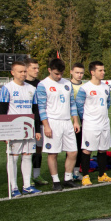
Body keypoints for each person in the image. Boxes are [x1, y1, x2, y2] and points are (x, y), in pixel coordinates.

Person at [36, 58, 80, 191]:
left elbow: (72, 103)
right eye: (56, 73)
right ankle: (56, 181)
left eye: (61, 73)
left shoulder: (67, 84)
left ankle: (67, 178)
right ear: (49, 70)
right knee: (53, 153)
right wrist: (46, 125)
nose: (59, 76)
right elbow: (41, 107)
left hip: (67, 122)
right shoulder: (43, 85)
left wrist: (75, 121)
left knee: (72, 152)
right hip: (52, 122)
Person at [0, 60, 41, 196]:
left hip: (28, 128)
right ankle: (14, 187)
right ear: (13, 73)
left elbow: (35, 110)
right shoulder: (7, 89)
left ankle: (27, 186)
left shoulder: (32, 89)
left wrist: (37, 130)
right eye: (20, 71)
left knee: (27, 155)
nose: (23, 74)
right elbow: (2, 112)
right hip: (13, 128)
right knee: (13, 157)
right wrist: (5, 133)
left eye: (24, 71)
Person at [75, 61, 111, 184]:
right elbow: (79, 105)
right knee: (87, 150)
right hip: (90, 124)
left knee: (102, 149)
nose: (103, 72)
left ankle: (102, 175)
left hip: (104, 123)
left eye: (103, 70)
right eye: (100, 70)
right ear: (92, 72)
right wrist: (87, 118)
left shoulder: (105, 87)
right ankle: (86, 176)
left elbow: (108, 103)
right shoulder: (85, 88)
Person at [25, 58, 48, 186]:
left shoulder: (40, 84)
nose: (37, 70)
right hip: (25, 123)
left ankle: (36, 175)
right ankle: (27, 179)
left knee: (38, 150)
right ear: (27, 68)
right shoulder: (22, 84)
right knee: (26, 151)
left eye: (38, 68)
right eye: (34, 68)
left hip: (39, 123)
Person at [69, 62, 85, 180]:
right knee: (70, 149)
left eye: (81, 73)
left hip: (82, 122)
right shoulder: (67, 86)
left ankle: (75, 172)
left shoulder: (85, 87)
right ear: (71, 72)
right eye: (77, 72)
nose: (79, 75)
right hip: (67, 122)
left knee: (79, 148)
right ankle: (68, 172)